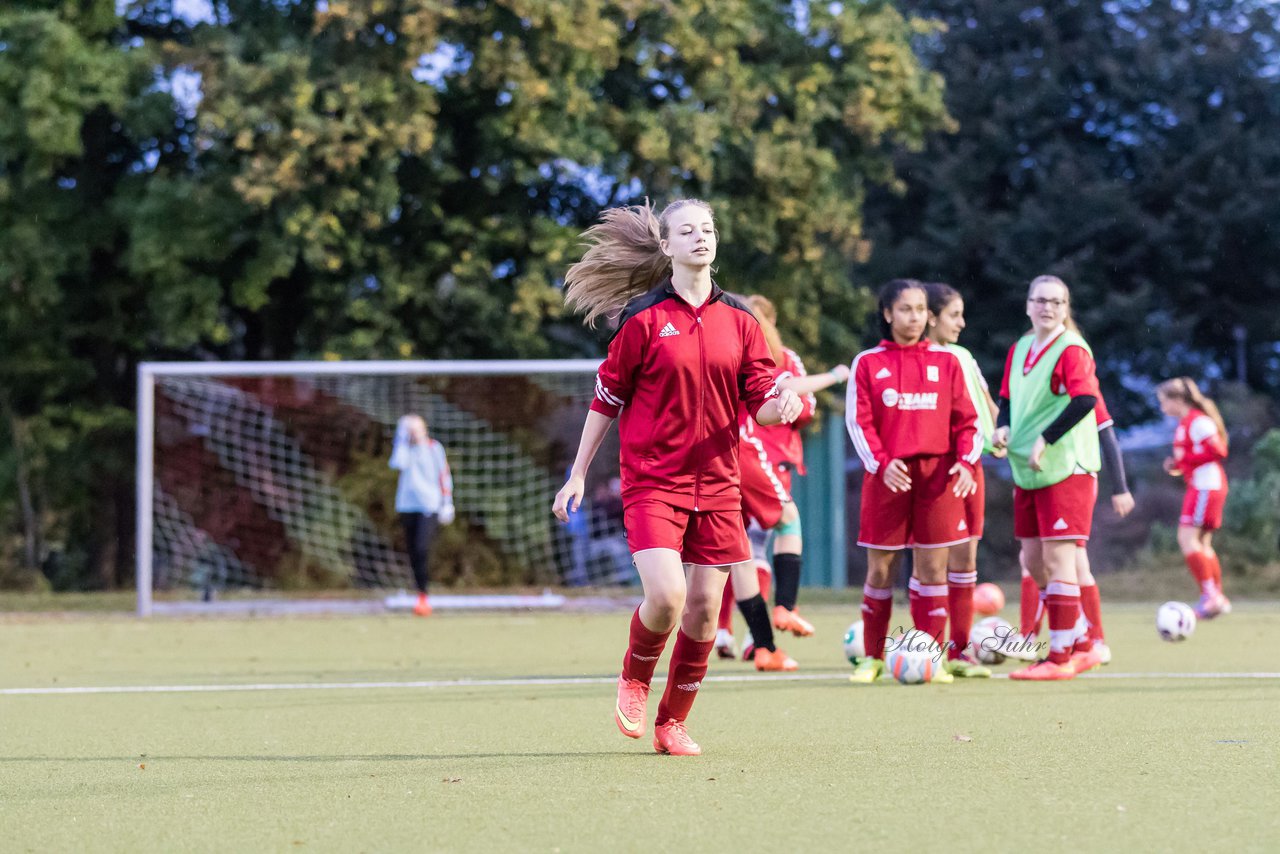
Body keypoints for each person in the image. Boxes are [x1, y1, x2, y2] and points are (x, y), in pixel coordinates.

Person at [551, 199, 803, 757]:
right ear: (666, 246)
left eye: (708, 229)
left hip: (718, 482)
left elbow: (760, 401)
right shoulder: (641, 319)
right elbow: (606, 399)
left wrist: (780, 404)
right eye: (687, 230)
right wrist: (576, 474)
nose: (700, 237)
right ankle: (635, 679)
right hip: (652, 482)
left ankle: (673, 722)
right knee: (666, 597)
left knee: (706, 610)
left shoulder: (742, 320)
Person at [845, 279, 981, 685]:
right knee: (881, 570)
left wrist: (965, 463)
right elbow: (860, 421)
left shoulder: (947, 361)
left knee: (932, 569)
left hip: (938, 477)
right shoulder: (867, 362)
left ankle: (930, 656)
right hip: (887, 476)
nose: (915, 317)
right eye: (905, 309)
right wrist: (881, 463)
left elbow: (968, 421)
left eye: (921, 309)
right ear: (887, 314)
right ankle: (872, 657)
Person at [714, 294, 850, 670]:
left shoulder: (710, 346)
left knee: (739, 553)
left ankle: (760, 646)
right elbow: (792, 387)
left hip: (708, 456)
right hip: (745, 452)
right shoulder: (760, 353)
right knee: (787, 520)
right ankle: (784, 608)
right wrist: (838, 375)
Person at [992, 275, 1104, 681]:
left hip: (1066, 467)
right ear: (1027, 305)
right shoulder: (1020, 347)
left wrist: (1045, 438)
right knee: (1032, 560)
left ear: (1066, 308)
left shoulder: (1071, 349)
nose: (1048, 308)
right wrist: (1003, 428)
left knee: (1060, 560)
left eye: (1057, 302)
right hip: (1028, 470)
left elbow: (1086, 399)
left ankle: (1059, 659)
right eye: (1040, 300)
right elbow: (1006, 398)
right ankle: (1082, 641)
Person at [1012, 392, 1135, 664]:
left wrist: (1120, 487)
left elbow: (1107, 435)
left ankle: (1093, 640)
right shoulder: (1038, 392)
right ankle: (1045, 637)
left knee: (1075, 563)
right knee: (1031, 560)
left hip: (1071, 479)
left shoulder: (1084, 390)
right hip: (1037, 479)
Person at [922, 282, 996, 678]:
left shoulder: (964, 356)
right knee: (932, 561)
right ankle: (929, 647)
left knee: (966, 558)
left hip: (973, 468)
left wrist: (1000, 432)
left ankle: (961, 651)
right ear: (931, 317)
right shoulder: (922, 359)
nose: (962, 323)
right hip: (940, 469)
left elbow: (985, 405)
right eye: (954, 315)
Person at [1157, 377, 1232, 618]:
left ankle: (1211, 597)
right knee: (1203, 543)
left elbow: (1219, 450)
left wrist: (1185, 461)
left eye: (1164, 402)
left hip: (1206, 486)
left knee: (1187, 539)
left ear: (1178, 400)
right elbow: (1194, 455)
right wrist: (1177, 465)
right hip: (1203, 485)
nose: (1163, 408)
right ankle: (1217, 597)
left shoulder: (1198, 421)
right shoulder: (1185, 423)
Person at [389, 414, 455, 616]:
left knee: (421, 547)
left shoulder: (434, 448)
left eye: (416, 429)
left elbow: (443, 475)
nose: (413, 433)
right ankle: (421, 596)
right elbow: (397, 463)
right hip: (407, 506)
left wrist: (447, 502)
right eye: (409, 429)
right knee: (412, 552)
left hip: (430, 505)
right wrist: (401, 439)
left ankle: (424, 593)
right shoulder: (405, 450)